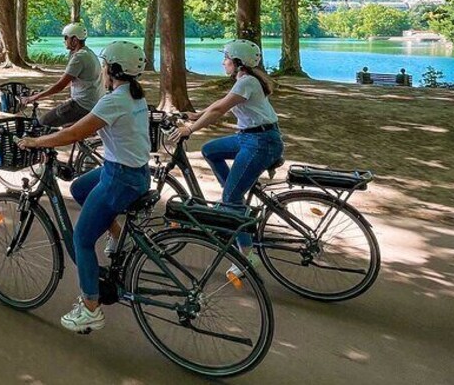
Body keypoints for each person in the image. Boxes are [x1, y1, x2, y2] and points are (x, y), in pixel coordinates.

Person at [19, 41, 150, 333]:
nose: (102, 68)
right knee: (79, 188)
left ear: (112, 70)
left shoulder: (113, 100)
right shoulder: (133, 94)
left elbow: (76, 131)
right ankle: (118, 237)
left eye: (105, 65)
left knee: (81, 240)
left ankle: (91, 308)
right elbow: (104, 128)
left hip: (119, 178)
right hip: (134, 172)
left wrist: (35, 141)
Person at [169, 39, 283, 275]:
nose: (223, 63)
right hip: (250, 138)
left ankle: (247, 255)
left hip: (261, 142)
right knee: (211, 150)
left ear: (238, 62)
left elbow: (220, 110)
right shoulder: (245, 81)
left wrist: (190, 129)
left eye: (226, 58)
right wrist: (197, 114)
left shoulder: (248, 82)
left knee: (232, 198)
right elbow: (220, 105)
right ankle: (233, 196)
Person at [20, 22, 103, 127]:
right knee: (64, 128)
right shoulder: (88, 53)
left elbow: (60, 86)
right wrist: (45, 90)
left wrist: (33, 98)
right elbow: (70, 80)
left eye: (66, 38)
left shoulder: (79, 58)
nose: (64, 41)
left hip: (82, 105)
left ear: (74, 40)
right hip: (93, 103)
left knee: (44, 123)